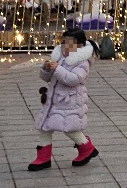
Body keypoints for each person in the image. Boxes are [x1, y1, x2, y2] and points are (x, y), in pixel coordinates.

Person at [28, 29, 98, 170]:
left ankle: (86, 148)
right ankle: (43, 157)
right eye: (63, 43)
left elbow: (74, 79)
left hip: (70, 101)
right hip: (54, 100)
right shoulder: (59, 57)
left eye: (69, 44)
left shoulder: (82, 62)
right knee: (45, 127)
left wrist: (58, 69)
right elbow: (47, 78)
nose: (65, 47)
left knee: (70, 128)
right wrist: (46, 69)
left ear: (79, 45)